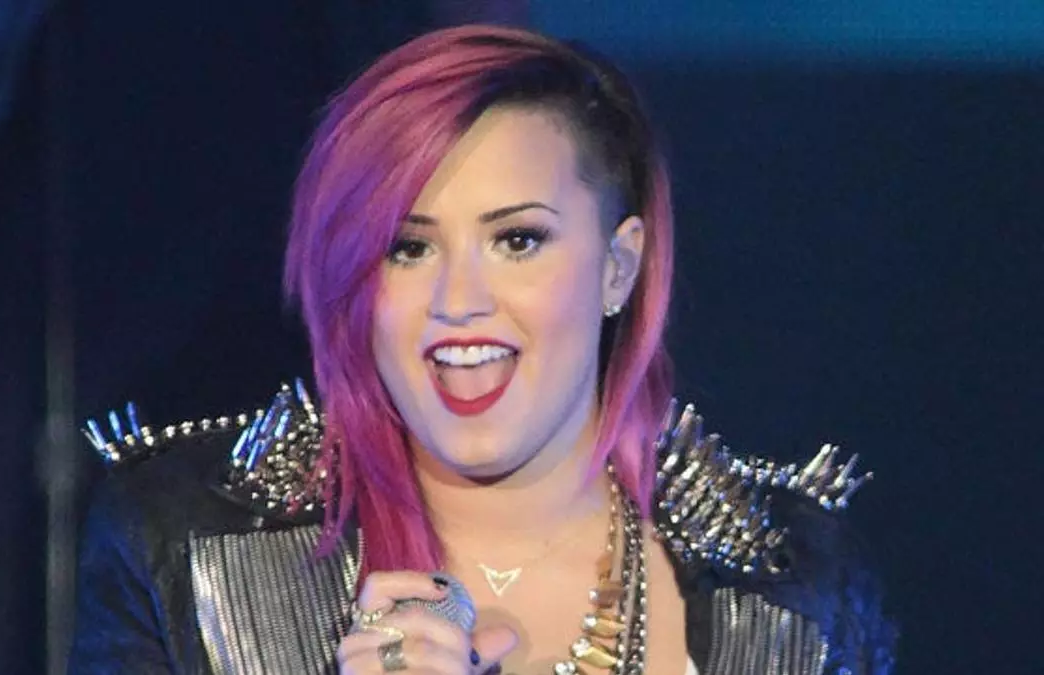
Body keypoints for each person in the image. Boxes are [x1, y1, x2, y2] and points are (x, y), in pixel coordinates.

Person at [69, 24, 895, 675]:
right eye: (408, 247)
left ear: (618, 267)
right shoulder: (182, 541)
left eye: (518, 240)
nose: (459, 302)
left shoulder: (794, 585)